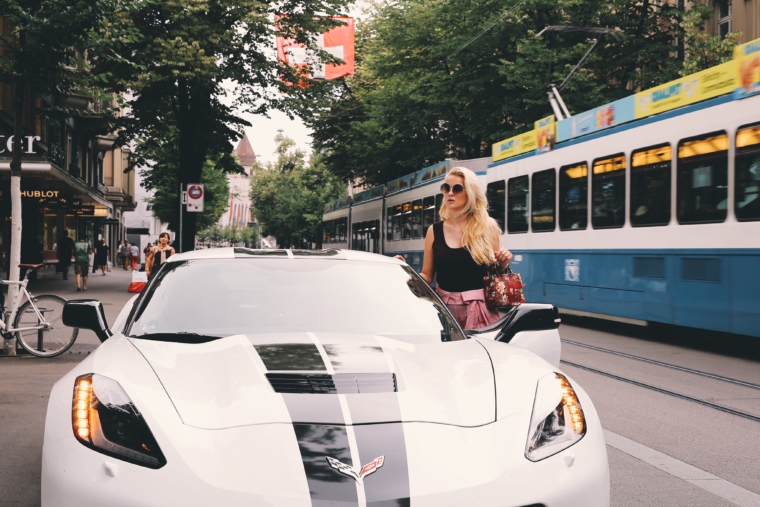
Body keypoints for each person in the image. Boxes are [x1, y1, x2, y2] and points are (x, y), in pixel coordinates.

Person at [396, 167, 512, 330]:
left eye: (457, 188)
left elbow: (494, 275)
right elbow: (427, 276)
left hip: (480, 311)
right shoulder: (433, 231)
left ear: (470, 193)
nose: (450, 193)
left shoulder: (488, 228)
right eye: (446, 188)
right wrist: (404, 271)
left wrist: (502, 264)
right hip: (444, 311)